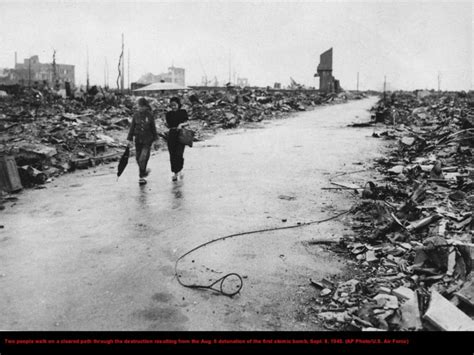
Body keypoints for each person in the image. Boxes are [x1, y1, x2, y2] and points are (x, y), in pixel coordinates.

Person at [127, 97, 158, 185]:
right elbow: (132, 127)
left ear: (145, 107)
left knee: (143, 158)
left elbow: (153, 128)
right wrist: (129, 139)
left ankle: (141, 176)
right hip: (138, 140)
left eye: (141, 106)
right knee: (137, 158)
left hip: (147, 140)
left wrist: (156, 139)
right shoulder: (135, 115)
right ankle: (144, 172)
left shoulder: (150, 115)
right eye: (138, 106)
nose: (139, 108)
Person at [165, 97, 188, 181]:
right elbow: (168, 125)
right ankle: (175, 173)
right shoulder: (168, 114)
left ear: (178, 104)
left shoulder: (183, 112)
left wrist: (181, 125)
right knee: (172, 154)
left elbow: (187, 122)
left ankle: (180, 169)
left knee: (179, 153)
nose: (173, 107)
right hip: (172, 134)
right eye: (172, 105)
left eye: (175, 105)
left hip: (181, 134)